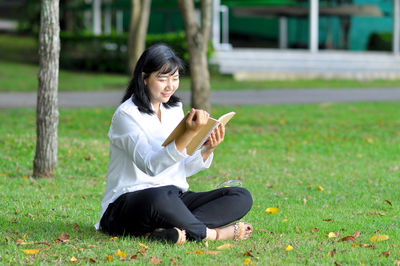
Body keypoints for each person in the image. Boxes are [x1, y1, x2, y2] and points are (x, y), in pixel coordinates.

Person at [95, 44, 253, 244]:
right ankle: (212, 234)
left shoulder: (174, 109)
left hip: (173, 197)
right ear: (144, 78)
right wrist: (188, 134)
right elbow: (151, 167)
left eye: (175, 78)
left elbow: (180, 167)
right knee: (161, 197)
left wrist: (207, 149)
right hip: (129, 203)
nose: (170, 85)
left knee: (240, 196)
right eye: (162, 79)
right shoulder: (126, 115)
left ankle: (169, 231)